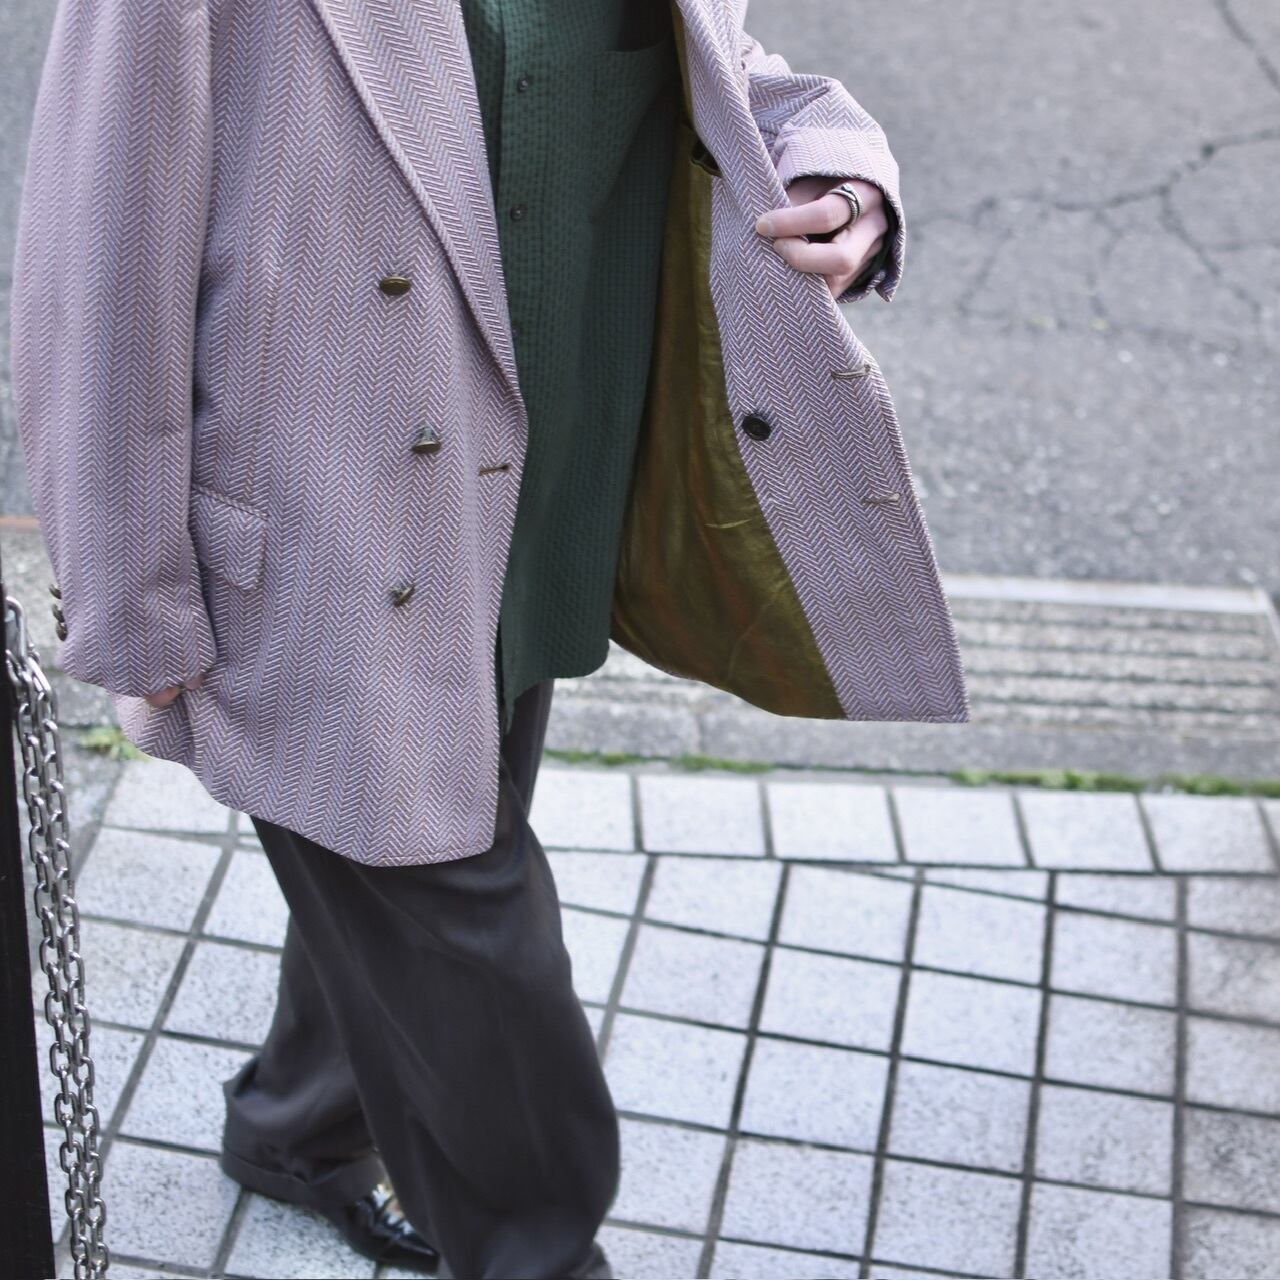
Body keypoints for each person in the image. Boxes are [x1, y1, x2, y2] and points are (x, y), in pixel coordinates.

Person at [12, 0, 966, 1275]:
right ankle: (536, 1249)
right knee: (460, 921)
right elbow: (100, 265)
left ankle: (299, 1124)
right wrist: (133, 592)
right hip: (326, 547)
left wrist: (833, 167)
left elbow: (711, 60)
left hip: (542, 500)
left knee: (402, 854)